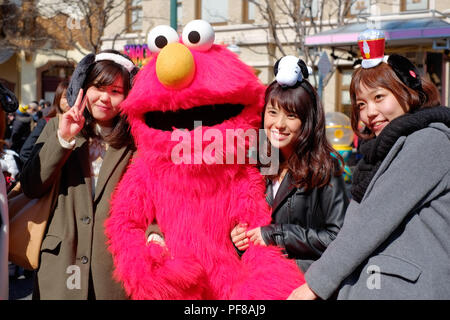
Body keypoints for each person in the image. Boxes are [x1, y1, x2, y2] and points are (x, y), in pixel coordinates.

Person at [288, 31, 450, 300]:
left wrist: (315, 284)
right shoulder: (393, 146)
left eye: (379, 98)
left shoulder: (429, 141)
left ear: (407, 91)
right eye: (361, 104)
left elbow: (371, 221)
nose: (369, 112)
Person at [19, 50, 138, 299]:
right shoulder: (57, 126)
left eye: (116, 91)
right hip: (62, 262)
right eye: (98, 87)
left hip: (114, 270)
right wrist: (63, 139)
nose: (105, 98)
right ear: (83, 86)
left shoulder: (135, 142)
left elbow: (152, 197)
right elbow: (32, 185)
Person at [231, 56, 349, 273]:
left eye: (291, 115)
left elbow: (339, 238)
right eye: (272, 112)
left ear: (308, 121)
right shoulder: (255, 163)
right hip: (257, 281)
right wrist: (238, 238)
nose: (279, 124)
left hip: (302, 283)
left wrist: (278, 235)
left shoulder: (323, 168)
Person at [19, 80, 69, 165]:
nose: (70, 100)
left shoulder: (83, 125)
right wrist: (43, 171)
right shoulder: (46, 122)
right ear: (58, 98)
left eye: (74, 96)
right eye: (66, 96)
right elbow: (25, 153)